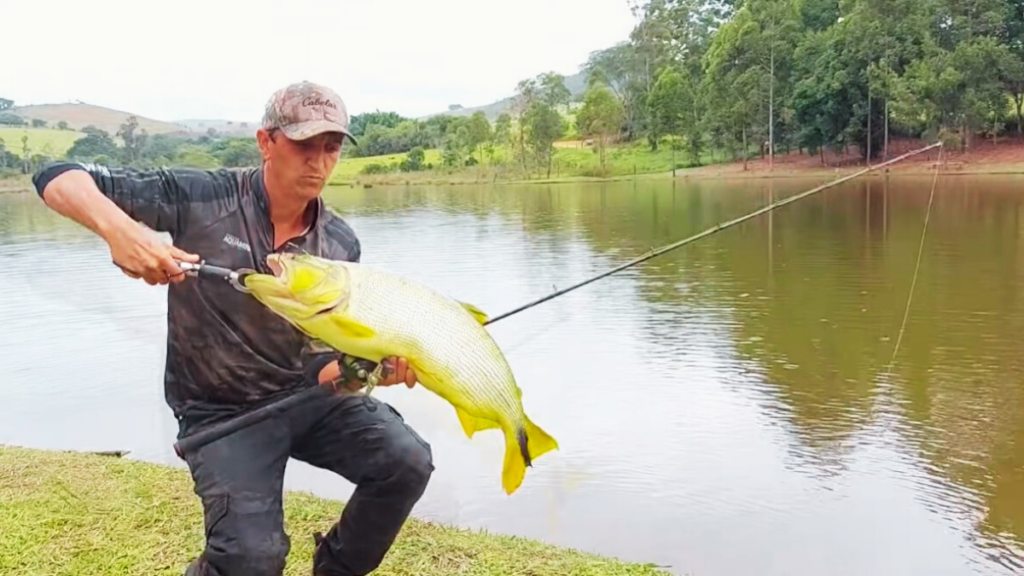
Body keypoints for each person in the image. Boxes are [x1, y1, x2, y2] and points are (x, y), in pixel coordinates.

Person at [32, 81, 434, 576]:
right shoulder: (202, 196)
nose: (319, 161)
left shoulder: (339, 243)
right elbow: (56, 176)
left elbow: (327, 362)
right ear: (266, 143)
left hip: (307, 399)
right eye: (304, 144)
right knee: (252, 558)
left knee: (406, 461)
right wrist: (124, 233)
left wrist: (366, 368)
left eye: (330, 147)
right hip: (222, 412)